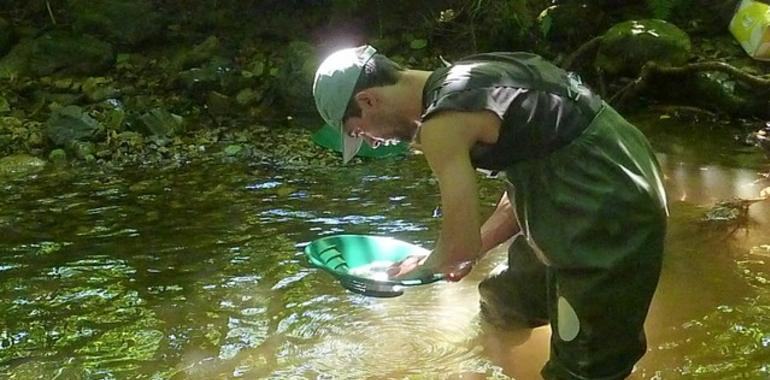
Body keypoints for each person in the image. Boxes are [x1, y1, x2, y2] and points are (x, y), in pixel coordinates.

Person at [312, 45, 668, 380]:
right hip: (591, 180)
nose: (370, 142)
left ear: (368, 100)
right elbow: (534, 173)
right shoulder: (469, 75)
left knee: (585, 368)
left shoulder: (443, 123)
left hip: (609, 205)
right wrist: (465, 250)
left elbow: (457, 249)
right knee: (503, 302)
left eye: (357, 130)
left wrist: (417, 268)